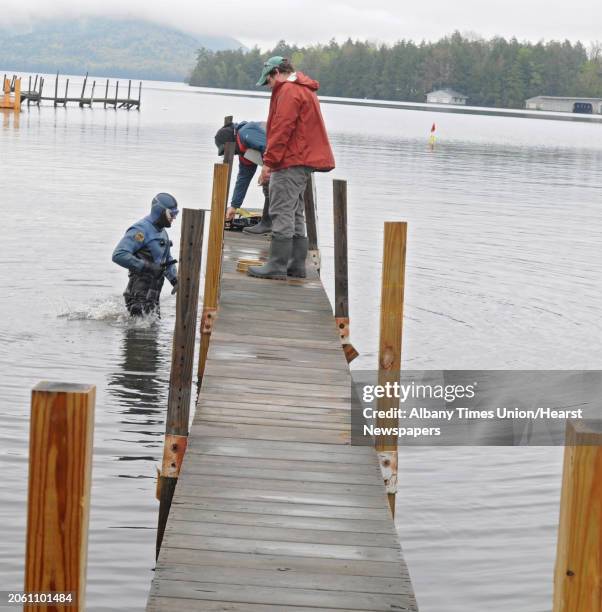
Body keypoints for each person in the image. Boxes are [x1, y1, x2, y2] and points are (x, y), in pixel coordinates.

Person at [248, 57, 335, 280]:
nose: (269, 86)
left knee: (281, 211)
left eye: (268, 81)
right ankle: (296, 265)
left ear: (276, 72)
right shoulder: (304, 89)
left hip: (290, 161)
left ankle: (276, 266)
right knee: (296, 211)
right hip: (303, 160)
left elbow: (280, 130)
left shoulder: (288, 91)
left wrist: (269, 163)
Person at [112, 193, 179, 316]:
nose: (174, 218)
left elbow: (167, 259)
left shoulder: (162, 232)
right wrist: (147, 266)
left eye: (176, 213)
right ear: (160, 211)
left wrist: (175, 280)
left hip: (153, 295)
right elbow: (118, 254)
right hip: (137, 296)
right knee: (138, 332)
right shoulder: (140, 230)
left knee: (152, 328)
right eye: (172, 213)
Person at [214, 120, 272, 235]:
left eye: (225, 150)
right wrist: (234, 206)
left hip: (291, 159)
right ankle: (269, 224)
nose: (230, 153)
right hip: (281, 162)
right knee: (269, 186)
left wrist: (266, 166)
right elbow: (243, 179)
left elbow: (268, 147)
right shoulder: (244, 151)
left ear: (230, 142)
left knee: (270, 186)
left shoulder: (246, 132)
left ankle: (267, 224)